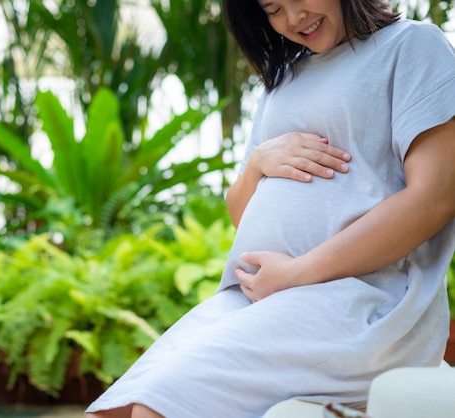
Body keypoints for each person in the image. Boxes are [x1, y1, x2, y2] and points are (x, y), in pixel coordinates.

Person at [86, 0, 455, 416]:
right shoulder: (284, 78)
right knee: (115, 410)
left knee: (159, 408)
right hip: (260, 298)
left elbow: (435, 197)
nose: (294, 18)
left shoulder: (412, 46)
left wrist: (299, 272)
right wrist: (259, 162)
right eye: (273, 8)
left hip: (361, 300)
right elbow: (245, 217)